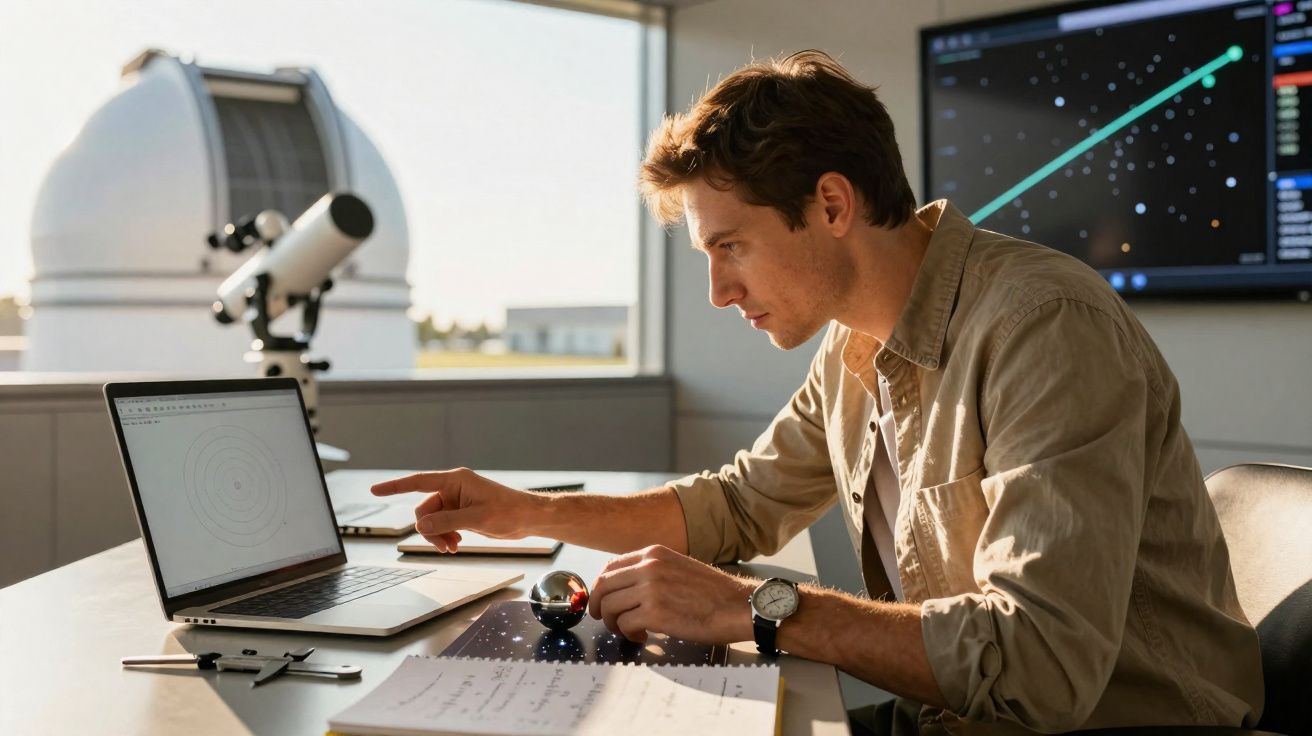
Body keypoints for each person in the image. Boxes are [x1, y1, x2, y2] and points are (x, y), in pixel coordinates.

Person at [372, 50, 1263, 734]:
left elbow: (1041, 665)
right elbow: (733, 508)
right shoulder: (852, 348)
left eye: (731, 248)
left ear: (832, 205)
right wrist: (528, 512)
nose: (719, 292)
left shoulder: (1044, 326)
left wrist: (755, 610)